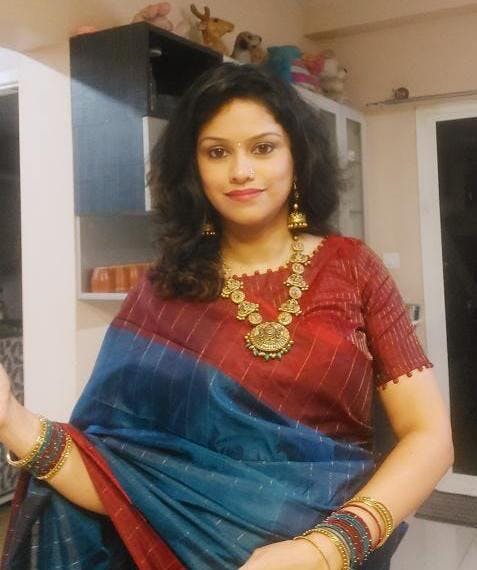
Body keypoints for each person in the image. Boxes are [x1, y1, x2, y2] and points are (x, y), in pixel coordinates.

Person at [0, 63, 453, 569]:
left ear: (297, 156)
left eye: (263, 148)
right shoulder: (160, 292)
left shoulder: (353, 268)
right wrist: (11, 419)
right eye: (217, 152)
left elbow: (430, 437)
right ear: (193, 169)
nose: (240, 171)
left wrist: (326, 549)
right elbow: (122, 483)